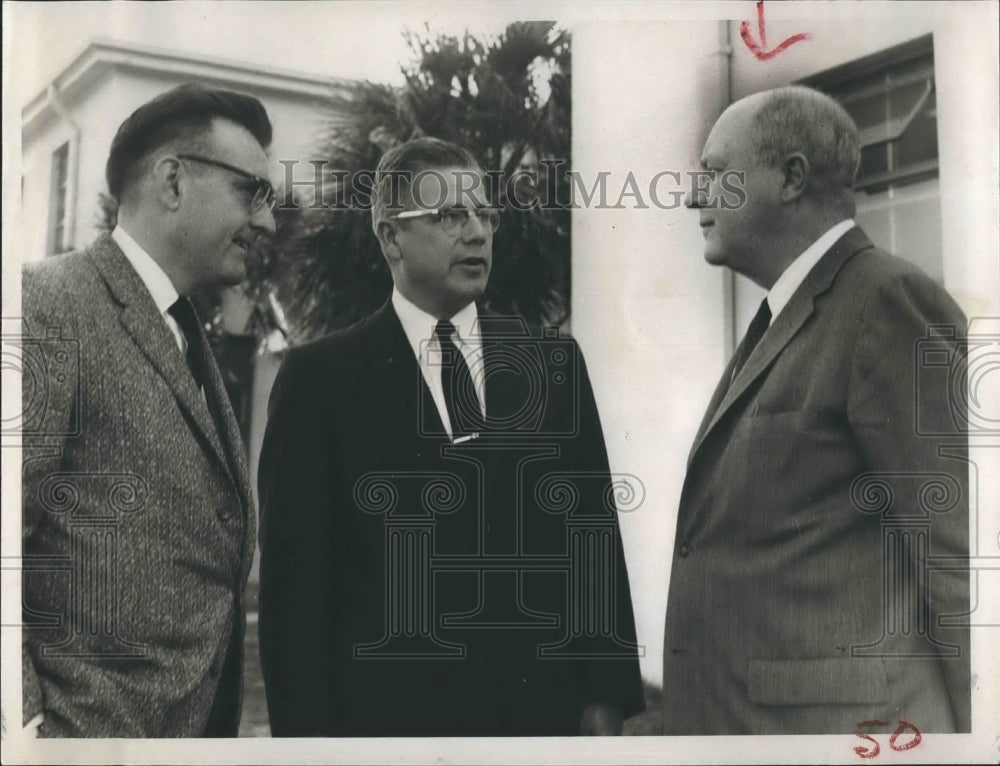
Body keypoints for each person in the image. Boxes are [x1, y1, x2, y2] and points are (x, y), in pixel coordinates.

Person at [258, 137, 644, 736]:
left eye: (485, 215)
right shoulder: (319, 380)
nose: (477, 233)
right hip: (387, 730)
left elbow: (591, 541)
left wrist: (605, 699)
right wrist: (308, 747)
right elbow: (296, 593)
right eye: (450, 216)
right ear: (392, 238)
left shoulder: (553, 364)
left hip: (538, 721)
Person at [663, 85, 970, 734]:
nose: (693, 196)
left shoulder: (885, 301)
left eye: (714, 173)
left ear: (791, 177)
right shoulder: (783, 316)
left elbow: (960, 559)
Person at [21, 83, 276, 736]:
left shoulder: (184, 331)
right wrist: (28, 732)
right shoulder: (48, 306)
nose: (268, 223)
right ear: (172, 181)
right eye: (251, 192)